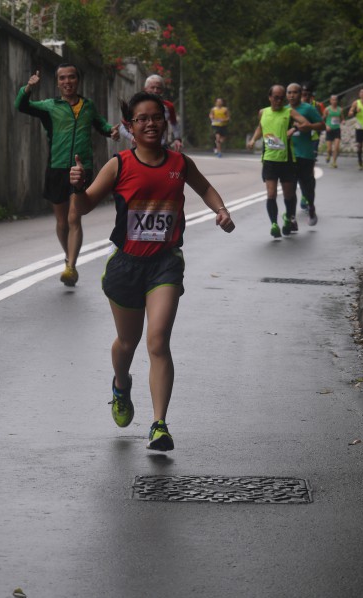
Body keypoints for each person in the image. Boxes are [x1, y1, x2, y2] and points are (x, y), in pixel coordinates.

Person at [69, 91, 235, 451]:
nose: (150, 124)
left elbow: (205, 188)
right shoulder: (119, 164)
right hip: (126, 264)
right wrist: (78, 186)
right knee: (127, 342)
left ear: (165, 122)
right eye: (141, 119)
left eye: (156, 117)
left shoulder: (179, 162)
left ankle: (159, 425)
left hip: (165, 263)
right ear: (130, 127)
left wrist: (221, 210)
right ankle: (121, 384)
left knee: (158, 341)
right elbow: (83, 206)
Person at [15, 64, 119, 286]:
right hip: (56, 167)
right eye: (62, 78)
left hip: (81, 168)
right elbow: (21, 106)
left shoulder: (88, 106)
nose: (67, 82)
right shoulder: (49, 106)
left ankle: (71, 267)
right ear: (57, 82)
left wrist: (112, 130)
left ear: (78, 80)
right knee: (62, 222)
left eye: (71, 77)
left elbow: (101, 125)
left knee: (74, 217)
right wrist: (28, 88)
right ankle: (68, 257)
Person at [247, 85, 309, 238]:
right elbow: (260, 127)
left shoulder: (289, 112)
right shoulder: (263, 112)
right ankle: (274, 224)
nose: (279, 100)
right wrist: (253, 140)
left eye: (282, 98)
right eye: (276, 97)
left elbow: (305, 123)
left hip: (287, 160)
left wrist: (294, 129)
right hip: (269, 160)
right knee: (271, 193)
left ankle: (288, 217)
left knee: (288, 194)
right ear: (270, 97)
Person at [286, 83, 325, 227]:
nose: (292, 95)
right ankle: (291, 218)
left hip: (305, 154)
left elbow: (322, 125)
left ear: (300, 94)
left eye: (295, 92)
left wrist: (309, 126)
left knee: (306, 187)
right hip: (289, 155)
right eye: (289, 92)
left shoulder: (308, 109)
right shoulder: (284, 110)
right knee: (290, 188)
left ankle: (311, 207)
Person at [119, 74, 183, 151]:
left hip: (161, 147)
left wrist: (177, 139)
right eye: (152, 87)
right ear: (145, 89)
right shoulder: (136, 106)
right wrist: (132, 137)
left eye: (158, 88)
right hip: (140, 148)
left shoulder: (169, 106)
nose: (155, 90)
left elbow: (174, 125)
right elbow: (122, 127)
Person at [301, 85, 325, 162]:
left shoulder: (317, 105)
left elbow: (321, 117)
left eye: (309, 95)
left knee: (314, 144)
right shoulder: (297, 104)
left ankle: (313, 154)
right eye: (304, 95)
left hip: (313, 130)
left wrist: (316, 124)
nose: (307, 97)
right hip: (301, 131)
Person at [324, 95, 344, 168]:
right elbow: (322, 119)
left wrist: (343, 121)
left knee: (336, 147)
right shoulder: (327, 109)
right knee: (329, 149)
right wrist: (326, 126)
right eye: (333, 100)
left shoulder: (340, 109)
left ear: (337, 101)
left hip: (337, 129)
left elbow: (342, 118)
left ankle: (334, 162)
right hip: (329, 130)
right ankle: (328, 155)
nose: (334, 101)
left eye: (335, 100)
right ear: (330, 101)